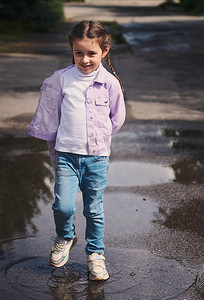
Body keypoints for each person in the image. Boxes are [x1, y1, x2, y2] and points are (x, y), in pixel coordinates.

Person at [27, 20, 126, 280]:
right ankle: (66, 237)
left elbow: (116, 119)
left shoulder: (110, 84)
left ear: (104, 52)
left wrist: (98, 140)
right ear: (72, 51)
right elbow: (51, 118)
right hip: (66, 157)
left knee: (93, 209)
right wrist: (59, 149)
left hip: (96, 157)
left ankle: (95, 254)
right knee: (63, 206)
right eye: (78, 53)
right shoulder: (61, 80)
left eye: (91, 53)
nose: (84, 59)